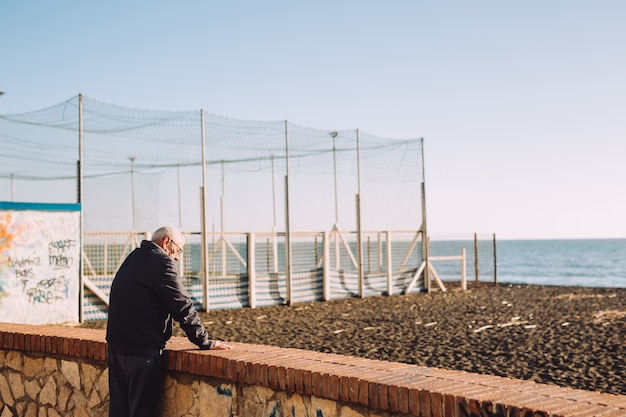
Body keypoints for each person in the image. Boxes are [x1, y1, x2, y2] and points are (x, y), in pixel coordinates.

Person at [106, 226, 232, 417]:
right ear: (166, 242)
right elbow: (182, 306)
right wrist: (204, 342)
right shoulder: (161, 262)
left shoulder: (133, 257)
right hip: (142, 355)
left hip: (116, 349)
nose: (177, 257)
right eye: (178, 250)